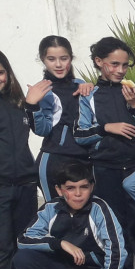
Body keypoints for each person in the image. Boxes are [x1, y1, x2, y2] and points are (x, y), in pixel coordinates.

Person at [75, 37, 135, 269]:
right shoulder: (90, 94)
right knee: (113, 226)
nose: (120, 70)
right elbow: (80, 134)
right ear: (99, 63)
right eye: (114, 64)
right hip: (104, 168)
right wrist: (106, 128)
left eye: (125, 65)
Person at [15, 161, 125, 269]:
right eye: (70, 188)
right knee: (23, 257)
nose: (78, 194)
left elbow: (117, 248)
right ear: (59, 190)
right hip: (62, 268)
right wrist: (59, 243)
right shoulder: (50, 208)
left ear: (92, 187)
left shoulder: (100, 208)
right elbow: (23, 240)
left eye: (84, 187)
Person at [27, 36, 94, 202]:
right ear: (42, 59)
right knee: (56, 214)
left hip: (84, 159)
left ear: (71, 58)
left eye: (64, 58)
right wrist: (32, 105)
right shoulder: (42, 89)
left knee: (85, 215)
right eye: (51, 59)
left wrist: (91, 88)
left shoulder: (81, 85)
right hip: (54, 159)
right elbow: (42, 130)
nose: (58, 64)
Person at [0, 50, 39, 269]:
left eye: (0, 72)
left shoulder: (19, 104)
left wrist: (32, 104)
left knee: (25, 240)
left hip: (25, 183)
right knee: (2, 244)